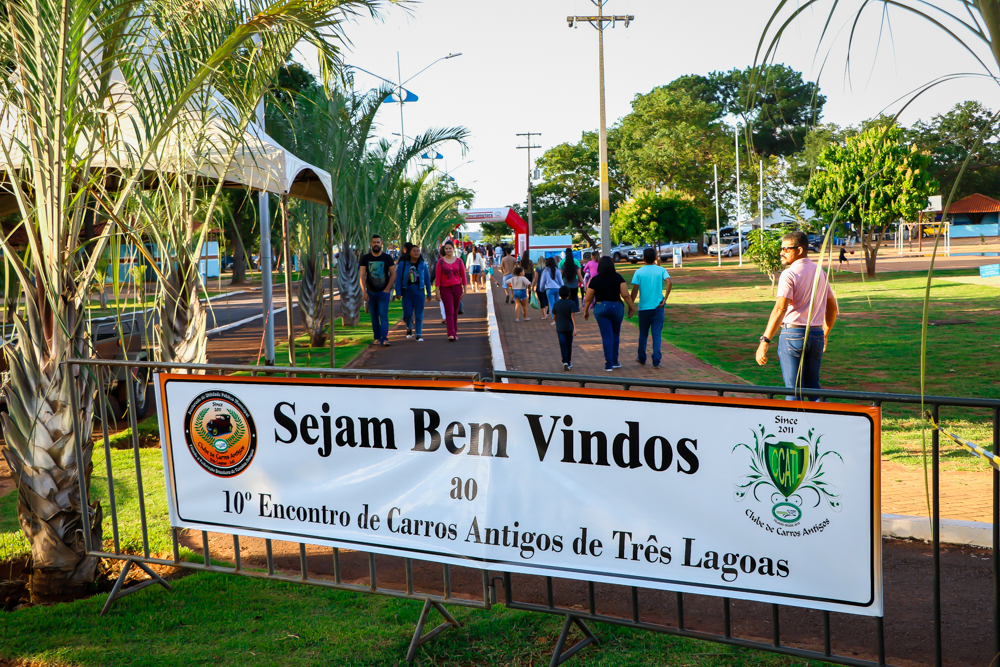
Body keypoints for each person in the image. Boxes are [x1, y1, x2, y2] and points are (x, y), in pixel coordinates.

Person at [755, 231, 839, 400]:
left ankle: (792, 426)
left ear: (799, 250)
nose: (781, 252)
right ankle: (830, 419)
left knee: (793, 390)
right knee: (813, 386)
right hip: (815, 335)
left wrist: (764, 341)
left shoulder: (789, 274)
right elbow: (833, 308)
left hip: (792, 335)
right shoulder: (820, 273)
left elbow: (780, 309)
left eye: (786, 249)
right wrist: (825, 333)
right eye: (781, 249)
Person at [583, 256, 637, 371]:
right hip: (617, 307)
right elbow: (625, 295)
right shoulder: (618, 278)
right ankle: (615, 361)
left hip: (601, 307)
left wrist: (586, 310)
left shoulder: (595, 279)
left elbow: (588, 298)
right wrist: (632, 307)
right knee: (615, 334)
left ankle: (609, 364)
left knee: (606, 336)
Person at [629, 247, 673, 367]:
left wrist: (631, 306)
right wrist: (665, 298)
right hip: (658, 308)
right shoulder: (661, 270)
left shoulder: (639, 272)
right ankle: (656, 360)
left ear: (643, 258)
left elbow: (634, 290)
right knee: (656, 335)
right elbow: (669, 282)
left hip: (644, 308)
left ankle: (642, 357)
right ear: (655, 258)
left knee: (643, 334)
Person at [359, 234, 397, 347]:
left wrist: (387, 289)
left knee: (383, 314)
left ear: (382, 244)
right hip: (371, 292)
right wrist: (364, 291)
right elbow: (362, 275)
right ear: (371, 244)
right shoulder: (365, 258)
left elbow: (393, 274)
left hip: (383, 293)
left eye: (378, 242)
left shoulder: (387, 258)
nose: (376, 244)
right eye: (374, 242)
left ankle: (384, 338)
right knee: (374, 315)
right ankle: (377, 338)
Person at [395, 243, 432, 342]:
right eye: (414, 251)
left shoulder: (422, 264)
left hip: (419, 291)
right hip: (407, 291)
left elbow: (427, 280)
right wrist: (398, 292)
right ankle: (409, 327)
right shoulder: (403, 264)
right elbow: (398, 278)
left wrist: (429, 293)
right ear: (410, 253)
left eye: (418, 251)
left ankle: (418, 334)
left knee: (419, 314)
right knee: (407, 314)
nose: (416, 253)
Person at [435, 240, 468, 341]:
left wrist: (465, 289)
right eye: (446, 249)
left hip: (457, 287)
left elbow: (463, 275)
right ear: (444, 250)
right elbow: (438, 277)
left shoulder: (459, 261)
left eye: (450, 248)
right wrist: (437, 292)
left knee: (455, 311)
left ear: (453, 249)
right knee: (449, 311)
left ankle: (455, 332)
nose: (448, 250)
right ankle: (450, 333)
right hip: (445, 289)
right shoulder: (440, 262)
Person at [552, 285, 577, 371]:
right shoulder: (572, 303)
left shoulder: (556, 303)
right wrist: (575, 328)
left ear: (559, 294)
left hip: (560, 327)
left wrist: (555, 321)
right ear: (569, 294)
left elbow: (554, 315)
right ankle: (568, 361)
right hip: (569, 327)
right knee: (569, 344)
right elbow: (572, 316)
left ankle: (565, 361)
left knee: (562, 344)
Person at [537, 256, 564, 325]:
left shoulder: (545, 271)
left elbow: (542, 281)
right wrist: (562, 288)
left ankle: (554, 320)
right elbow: (561, 281)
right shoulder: (557, 270)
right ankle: (559, 318)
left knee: (552, 304)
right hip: (557, 289)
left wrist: (541, 289)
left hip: (549, 289)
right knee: (557, 304)